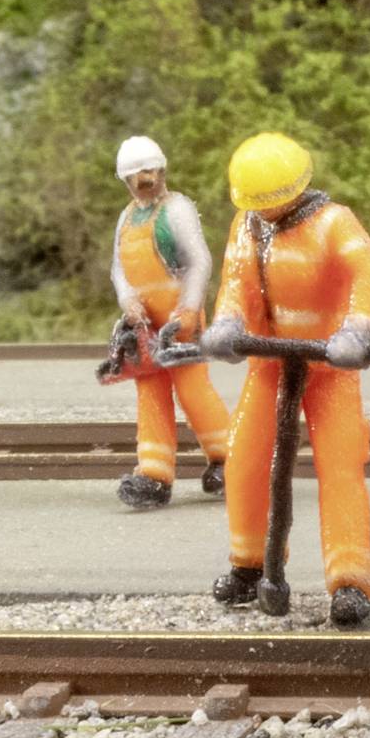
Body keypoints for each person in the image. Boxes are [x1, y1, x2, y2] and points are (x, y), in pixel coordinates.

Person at [197, 131, 370, 624]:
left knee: (341, 465)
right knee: (243, 458)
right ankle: (250, 563)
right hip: (269, 364)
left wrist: (358, 329)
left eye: (271, 203)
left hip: (329, 368)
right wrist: (227, 324)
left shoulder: (332, 223)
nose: (264, 212)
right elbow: (237, 280)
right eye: (256, 205)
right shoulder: (248, 225)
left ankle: (350, 582)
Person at [102, 135, 232, 509]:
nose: (143, 179)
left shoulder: (177, 210)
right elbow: (118, 268)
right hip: (145, 327)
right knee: (151, 394)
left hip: (180, 320)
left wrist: (190, 308)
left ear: (161, 170)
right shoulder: (125, 218)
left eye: (148, 170)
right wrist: (127, 299)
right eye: (135, 174)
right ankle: (154, 474)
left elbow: (198, 262)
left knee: (193, 391)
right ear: (125, 180)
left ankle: (229, 459)